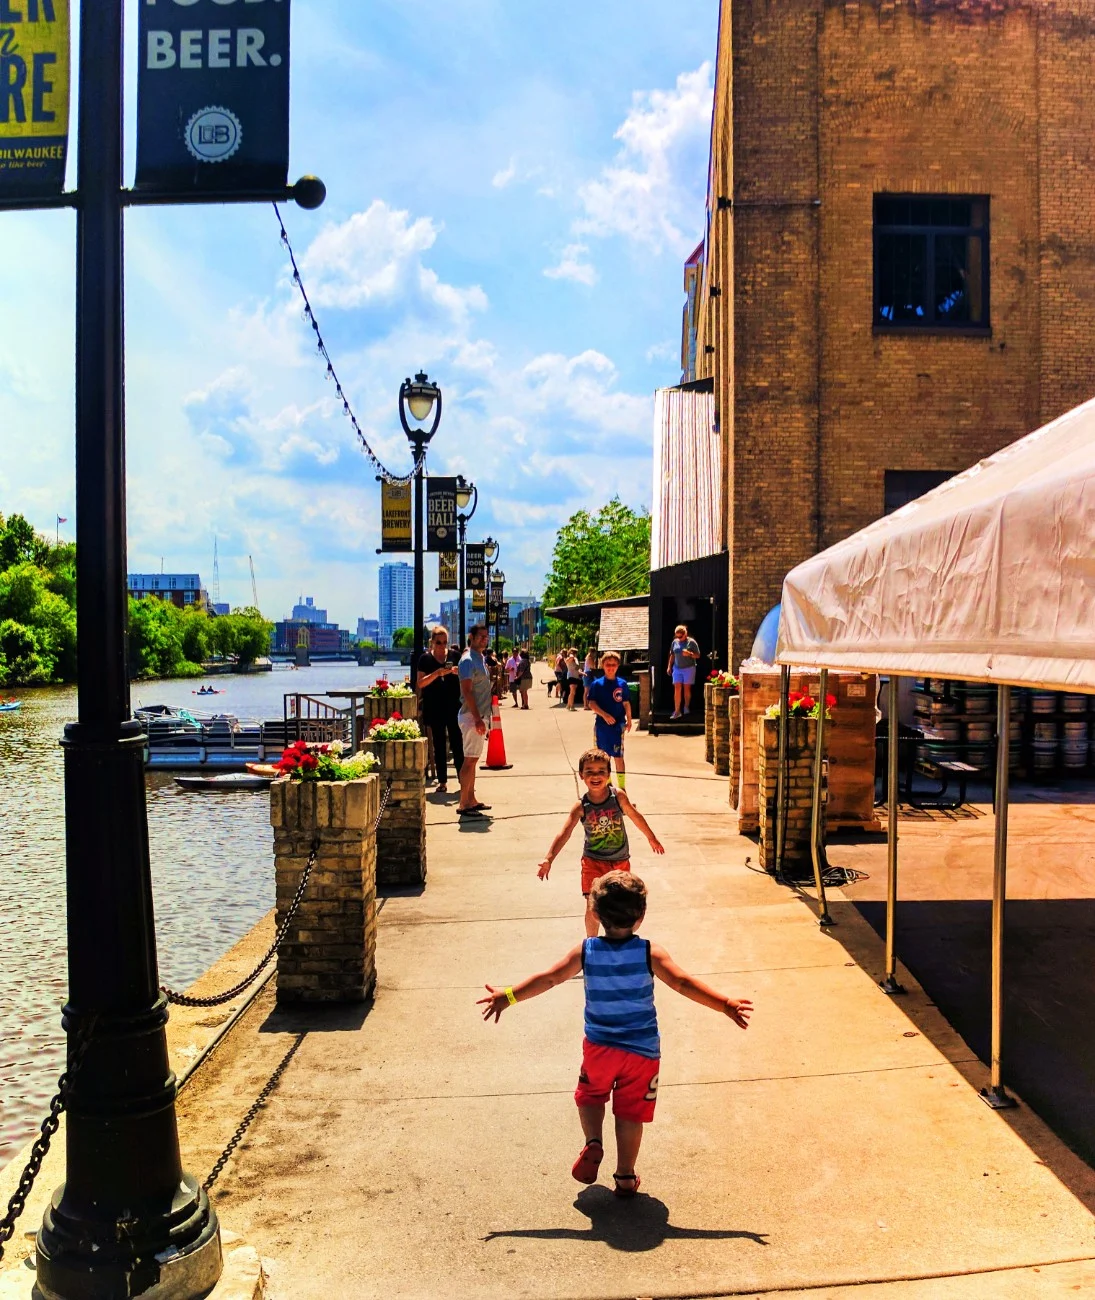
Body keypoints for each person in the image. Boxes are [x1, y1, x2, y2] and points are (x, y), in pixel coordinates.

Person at [479, 871, 753, 1197]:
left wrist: (508, 996)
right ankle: (625, 1176)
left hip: (599, 1048)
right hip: (642, 1053)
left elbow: (550, 978)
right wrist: (724, 1004)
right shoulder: (650, 952)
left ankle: (593, 1141)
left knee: (590, 1097)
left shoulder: (586, 950)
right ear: (641, 917)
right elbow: (682, 983)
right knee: (629, 1114)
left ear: (595, 914)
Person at [537, 747, 663, 937]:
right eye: (590, 772)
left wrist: (651, 838)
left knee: (622, 903)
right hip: (593, 862)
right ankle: (591, 943)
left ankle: (620, 938)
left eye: (601, 771)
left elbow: (635, 816)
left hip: (620, 861)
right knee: (592, 904)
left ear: (608, 774)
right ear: (581, 775)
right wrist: (549, 858)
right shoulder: (581, 806)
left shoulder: (618, 796)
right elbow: (565, 833)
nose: (595, 776)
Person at [417, 625, 463, 796]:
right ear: (432, 642)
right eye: (439, 642)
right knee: (438, 744)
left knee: (458, 743)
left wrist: (457, 672)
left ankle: (462, 779)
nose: (442, 646)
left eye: (445, 642)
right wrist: (437, 673)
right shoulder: (425, 659)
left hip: (453, 705)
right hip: (434, 706)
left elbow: (467, 677)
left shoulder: (455, 656)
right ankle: (442, 781)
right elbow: (420, 683)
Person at [457, 624, 493, 820]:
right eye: (480, 636)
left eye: (486, 637)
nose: (484, 639)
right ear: (471, 636)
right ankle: (463, 803)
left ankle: (471, 798)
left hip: (480, 715)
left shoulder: (480, 658)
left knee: (473, 758)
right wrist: (478, 718)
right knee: (469, 760)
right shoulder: (468, 660)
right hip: (472, 716)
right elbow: (467, 691)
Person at [585, 650, 630, 790]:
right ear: (603, 665)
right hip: (602, 727)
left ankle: (622, 788)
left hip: (617, 726)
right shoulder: (597, 684)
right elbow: (591, 703)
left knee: (618, 756)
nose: (611, 667)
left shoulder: (622, 684)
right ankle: (608, 786)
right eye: (608, 664)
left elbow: (626, 703)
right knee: (603, 758)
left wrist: (629, 719)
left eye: (614, 665)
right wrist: (604, 715)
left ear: (617, 666)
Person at [666, 624, 701, 719]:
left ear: (685, 634)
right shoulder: (674, 642)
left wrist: (689, 654)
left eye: (680, 636)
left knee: (686, 688)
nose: (679, 638)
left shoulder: (691, 642)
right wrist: (669, 666)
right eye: (677, 636)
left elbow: (698, 655)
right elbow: (672, 655)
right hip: (677, 668)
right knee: (677, 687)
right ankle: (677, 711)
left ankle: (686, 706)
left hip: (689, 668)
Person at [565, 647, 582, 711]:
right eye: (575, 653)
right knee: (572, 692)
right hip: (571, 676)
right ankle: (571, 706)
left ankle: (568, 705)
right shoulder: (568, 659)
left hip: (576, 676)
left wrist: (582, 673)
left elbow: (577, 668)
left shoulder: (575, 659)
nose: (575, 654)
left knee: (572, 692)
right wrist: (571, 654)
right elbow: (571, 657)